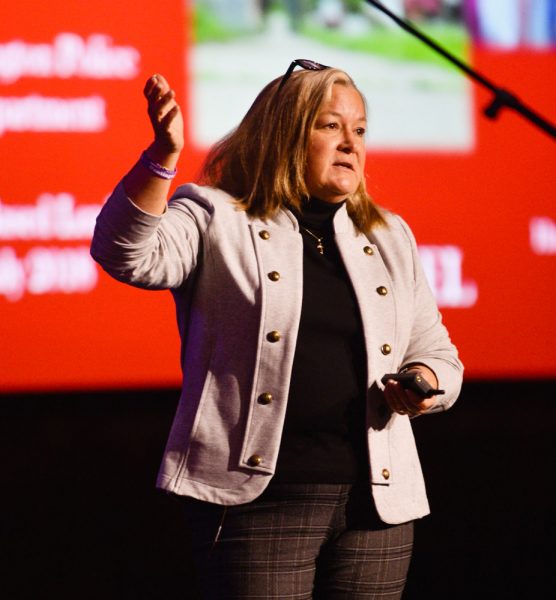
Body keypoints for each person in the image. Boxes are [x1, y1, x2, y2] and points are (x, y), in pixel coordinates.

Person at [91, 59, 463, 599]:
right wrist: (161, 159)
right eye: (330, 126)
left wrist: (425, 381)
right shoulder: (216, 216)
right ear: (285, 132)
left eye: (359, 130)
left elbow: (438, 352)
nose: (350, 144)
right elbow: (124, 253)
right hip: (257, 503)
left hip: (376, 506)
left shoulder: (386, 235)